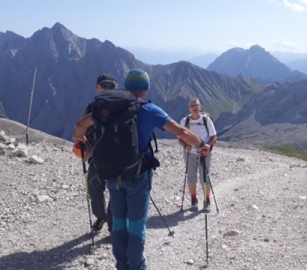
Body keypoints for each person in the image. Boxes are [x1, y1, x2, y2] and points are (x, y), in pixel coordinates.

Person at [73, 69, 210, 270]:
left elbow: (79, 126)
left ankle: (122, 265)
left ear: (126, 86)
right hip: (138, 176)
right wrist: (201, 144)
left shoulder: (106, 108)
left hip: (111, 174)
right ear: (145, 89)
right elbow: (181, 132)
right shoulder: (148, 109)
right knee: (136, 226)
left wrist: (81, 141)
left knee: (119, 225)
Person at [83, 73, 117, 233]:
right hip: (96, 157)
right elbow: (84, 128)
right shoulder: (91, 108)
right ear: (97, 88)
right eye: (105, 85)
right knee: (94, 189)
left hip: (117, 158)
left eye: (111, 86)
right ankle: (101, 216)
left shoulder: (121, 107)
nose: (108, 89)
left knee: (115, 191)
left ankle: (112, 223)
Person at [178, 98, 217, 212]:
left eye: (196, 105)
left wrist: (208, 146)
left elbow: (214, 138)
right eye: (192, 105)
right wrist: (185, 146)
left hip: (204, 153)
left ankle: (207, 201)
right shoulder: (184, 121)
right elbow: (180, 139)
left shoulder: (206, 120)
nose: (194, 107)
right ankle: (194, 201)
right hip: (189, 153)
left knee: (204, 177)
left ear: (200, 107)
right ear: (189, 108)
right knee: (191, 177)